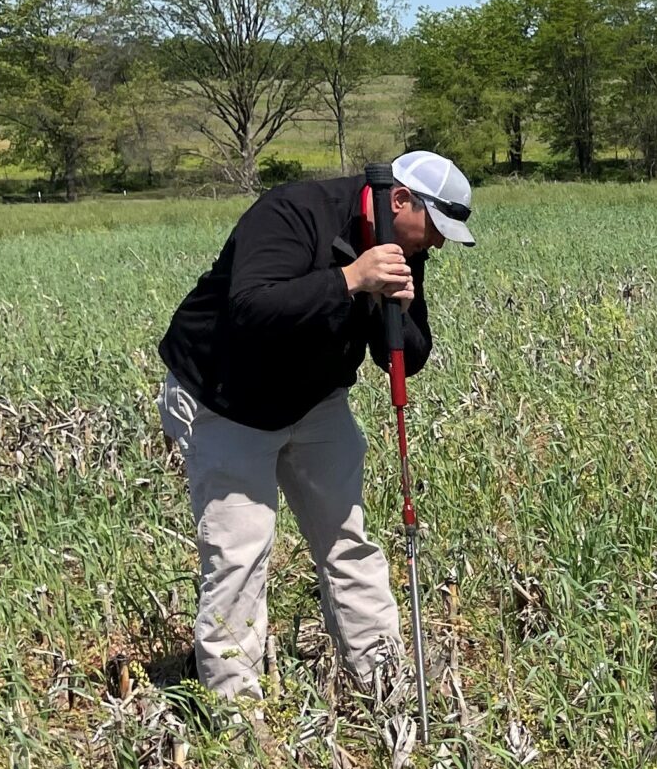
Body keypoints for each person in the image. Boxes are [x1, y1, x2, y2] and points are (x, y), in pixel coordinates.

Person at [155, 150, 476, 702]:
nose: (438, 244)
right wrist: (350, 278)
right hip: (229, 397)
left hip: (316, 398)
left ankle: (385, 683)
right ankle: (236, 717)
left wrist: (399, 304)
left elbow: (404, 356)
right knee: (241, 554)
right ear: (401, 199)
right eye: (436, 228)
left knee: (348, 541)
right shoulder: (292, 211)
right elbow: (250, 309)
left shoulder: (400, 238)